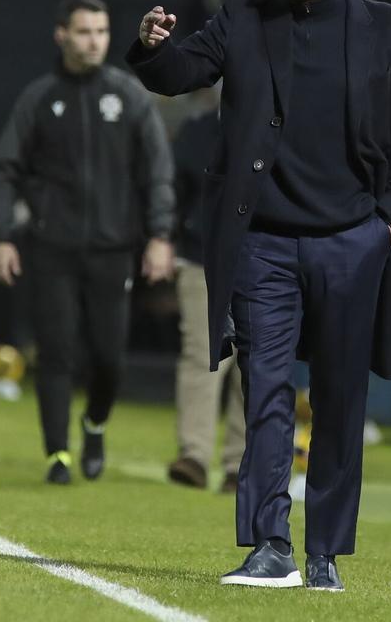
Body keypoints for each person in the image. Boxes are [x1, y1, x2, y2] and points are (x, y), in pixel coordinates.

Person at [127, 0, 391, 591]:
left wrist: (383, 230)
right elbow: (180, 76)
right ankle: (272, 545)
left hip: (349, 246)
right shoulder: (243, 15)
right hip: (261, 244)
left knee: (337, 401)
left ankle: (324, 552)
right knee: (262, 392)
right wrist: (152, 48)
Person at [0, 0, 176, 485]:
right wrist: (4, 236)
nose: (94, 41)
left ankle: (94, 423)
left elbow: (157, 171)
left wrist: (159, 235)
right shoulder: (39, 98)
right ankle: (57, 455)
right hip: (52, 248)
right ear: (62, 35)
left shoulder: (128, 96)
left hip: (114, 250)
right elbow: (4, 170)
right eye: (84, 31)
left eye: (101, 31)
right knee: (55, 352)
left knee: (109, 358)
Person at [166, 87, 245, 492]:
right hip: (201, 256)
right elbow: (172, 190)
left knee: (255, 363)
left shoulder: (285, 129)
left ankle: (240, 465)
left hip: (262, 259)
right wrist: (163, 237)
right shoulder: (197, 131)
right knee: (203, 354)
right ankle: (194, 455)